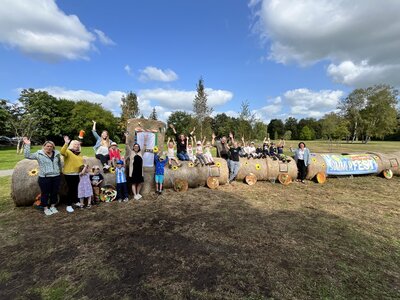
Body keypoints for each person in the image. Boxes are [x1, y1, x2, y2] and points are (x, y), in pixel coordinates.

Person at [23, 137, 62, 216]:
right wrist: (27, 145)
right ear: (44, 146)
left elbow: (59, 163)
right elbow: (27, 156)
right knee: (45, 193)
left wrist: (59, 171)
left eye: (51, 146)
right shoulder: (39, 154)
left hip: (56, 176)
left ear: (53, 147)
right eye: (47, 146)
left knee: (54, 192)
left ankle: (52, 206)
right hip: (45, 177)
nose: (49, 148)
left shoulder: (57, 154)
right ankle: (45, 208)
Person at [61, 136, 84, 213]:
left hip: (76, 174)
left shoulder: (79, 155)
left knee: (75, 188)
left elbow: (80, 164)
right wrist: (66, 143)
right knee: (71, 189)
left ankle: (75, 201)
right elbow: (62, 152)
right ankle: (69, 205)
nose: (77, 146)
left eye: (78, 145)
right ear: (72, 145)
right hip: (69, 174)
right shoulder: (68, 152)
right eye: (75, 144)